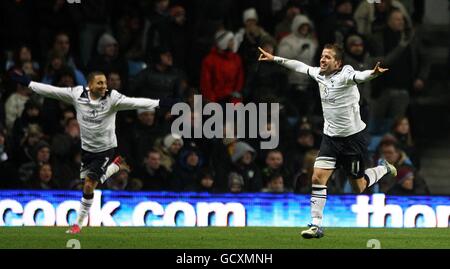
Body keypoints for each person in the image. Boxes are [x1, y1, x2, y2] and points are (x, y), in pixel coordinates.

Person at [10, 69, 176, 234]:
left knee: (89, 185)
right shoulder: (77, 94)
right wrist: (29, 83)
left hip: (105, 149)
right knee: (90, 185)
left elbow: (135, 102)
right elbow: (53, 91)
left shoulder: (113, 98)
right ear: (89, 85)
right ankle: (114, 167)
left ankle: (78, 225)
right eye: (100, 83)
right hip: (87, 149)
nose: (104, 86)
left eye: (105, 82)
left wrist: (160, 103)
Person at [258, 43, 397, 239]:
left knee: (359, 187)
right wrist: (275, 59)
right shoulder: (319, 75)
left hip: (352, 139)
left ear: (338, 63)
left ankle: (383, 168)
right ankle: (315, 225)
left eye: (328, 57)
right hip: (331, 138)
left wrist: (373, 73)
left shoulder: (346, 74)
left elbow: (360, 76)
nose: (323, 59)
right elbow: (299, 66)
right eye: (322, 56)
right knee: (317, 177)